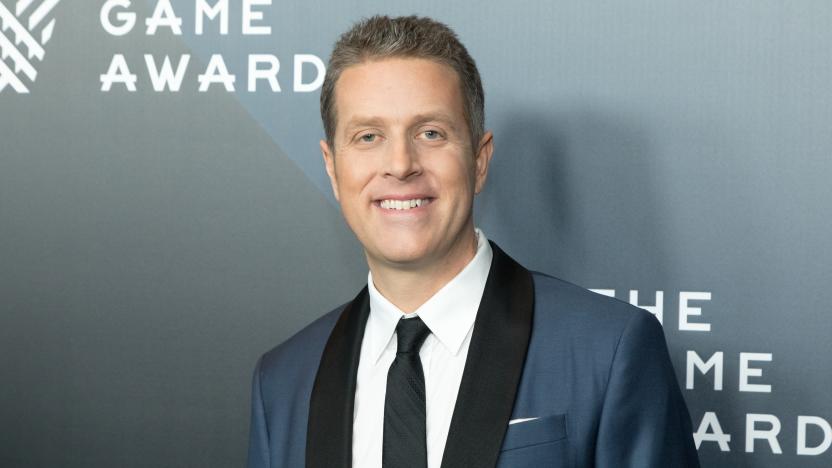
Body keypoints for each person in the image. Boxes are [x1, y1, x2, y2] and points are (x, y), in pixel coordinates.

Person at [247, 15, 699, 468]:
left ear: (479, 160)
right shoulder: (284, 381)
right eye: (369, 136)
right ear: (332, 167)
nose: (401, 164)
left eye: (431, 133)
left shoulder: (609, 350)